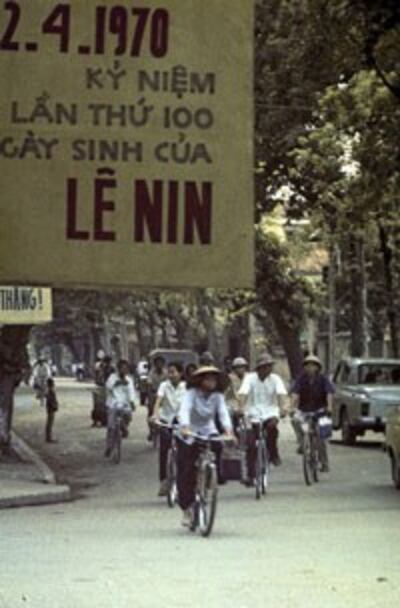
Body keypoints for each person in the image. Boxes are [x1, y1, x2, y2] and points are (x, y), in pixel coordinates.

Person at [177, 366, 235, 527]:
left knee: (218, 447)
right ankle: (187, 509)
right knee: (186, 469)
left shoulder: (217, 396)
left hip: (208, 429)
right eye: (208, 379)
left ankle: (211, 478)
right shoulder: (191, 394)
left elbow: (223, 413)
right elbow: (184, 410)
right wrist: (185, 427)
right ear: (200, 381)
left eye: (214, 379)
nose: (212, 382)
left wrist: (229, 430)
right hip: (190, 432)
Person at [238, 354, 287, 480]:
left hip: (270, 411)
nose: (267, 370)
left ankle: (273, 453)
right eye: (264, 367)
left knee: (272, 428)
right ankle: (250, 475)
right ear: (258, 368)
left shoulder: (275, 379)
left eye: (269, 366)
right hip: (253, 412)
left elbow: (281, 394)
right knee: (251, 443)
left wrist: (282, 408)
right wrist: (241, 408)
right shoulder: (249, 378)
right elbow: (243, 393)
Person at [291, 354, 334, 472]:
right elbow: (295, 393)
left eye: (313, 365)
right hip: (304, 410)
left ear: (317, 367)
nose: (310, 368)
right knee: (295, 420)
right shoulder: (301, 379)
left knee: (321, 438)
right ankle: (301, 443)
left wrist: (329, 407)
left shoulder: (323, 379)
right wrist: (292, 407)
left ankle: (324, 462)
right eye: (307, 365)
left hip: (320, 410)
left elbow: (329, 393)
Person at [151, 362, 186, 497]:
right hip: (166, 420)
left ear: (180, 373)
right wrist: (155, 415)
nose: (171, 375)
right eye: (169, 372)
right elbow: (158, 401)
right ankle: (164, 480)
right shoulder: (164, 386)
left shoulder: (186, 387)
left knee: (185, 451)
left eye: (173, 372)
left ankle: (184, 481)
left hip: (182, 422)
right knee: (164, 449)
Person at [104, 360, 139, 457]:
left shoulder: (129, 380)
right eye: (122, 368)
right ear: (118, 369)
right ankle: (109, 447)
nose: (124, 370)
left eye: (126, 368)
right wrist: (117, 383)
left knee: (128, 415)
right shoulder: (112, 377)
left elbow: (132, 392)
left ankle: (123, 427)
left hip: (125, 404)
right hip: (113, 403)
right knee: (111, 427)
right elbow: (108, 387)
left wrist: (132, 402)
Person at [224, 357, 249, 435]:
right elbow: (230, 392)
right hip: (233, 402)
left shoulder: (249, 377)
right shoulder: (229, 378)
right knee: (228, 413)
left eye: (242, 366)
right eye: (238, 367)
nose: (241, 369)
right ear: (234, 369)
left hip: (247, 401)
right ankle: (231, 433)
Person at [147, 356, 167, 441]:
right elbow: (149, 383)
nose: (159, 365)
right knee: (151, 411)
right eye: (157, 363)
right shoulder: (151, 373)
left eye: (161, 363)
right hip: (154, 393)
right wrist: (150, 392)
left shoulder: (166, 373)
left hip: (163, 394)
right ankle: (151, 431)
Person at [45, 378, 59, 443]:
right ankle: (49, 437)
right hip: (51, 409)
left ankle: (48, 437)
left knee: (49, 423)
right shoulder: (51, 391)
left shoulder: (49, 391)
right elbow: (52, 400)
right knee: (50, 423)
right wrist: (55, 406)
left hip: (49, 408)